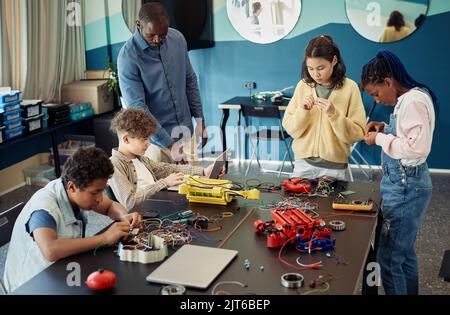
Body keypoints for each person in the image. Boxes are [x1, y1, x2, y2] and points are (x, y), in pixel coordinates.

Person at [3, 147, 141, 293]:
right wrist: (105, 237)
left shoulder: (73, 188)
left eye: (102, 190)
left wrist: (124, 216)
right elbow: (50, 250)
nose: (100, 198)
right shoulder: (43, 208)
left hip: (62, 269)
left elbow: (110, 206)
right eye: (95, 192)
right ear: (72, 187)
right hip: (30, 284)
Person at [361, 50, 436, 295]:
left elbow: (416, 147)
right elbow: (408, 134)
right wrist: (385, 127)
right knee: (403, 255)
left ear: (388, 81)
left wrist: (380, 138)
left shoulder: (412, 101)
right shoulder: (410, 98)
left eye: (376, 93)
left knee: (389, 260)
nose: (378, 100)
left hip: (405, 187)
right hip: (406, 185)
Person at [117, 2, 207, 164]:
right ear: (138, 25)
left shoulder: (178, 39)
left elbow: (190, 81)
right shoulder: (128, 57)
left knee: (193, 186)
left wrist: (200, 121)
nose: (158, 39)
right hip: (153, 144)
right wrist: (170, 144)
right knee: (162, 189)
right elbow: (138, 109)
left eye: (163, 34)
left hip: (186, 134)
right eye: (152, 35)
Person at [282, 35, 366, 181]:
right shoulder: (303, 86)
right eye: (310, 68)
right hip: (303, 165)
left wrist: (334, 114)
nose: (315, 74)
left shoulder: (350, 88)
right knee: (297, 203)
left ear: (334, 61)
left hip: (334, 169)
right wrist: (303, 111)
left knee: (330, 204)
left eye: (321, 68)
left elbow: (357, 134)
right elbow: (290, 129)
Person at [109, 108, 219, 210]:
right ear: (126, 139)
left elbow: (168, 169)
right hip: (145, 215)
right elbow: (130, 202)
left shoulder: (141, 159)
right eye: (144, 140)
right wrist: (164, 183)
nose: (148, 144)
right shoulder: (115, 165)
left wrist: (203, 171)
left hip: (157, 205)